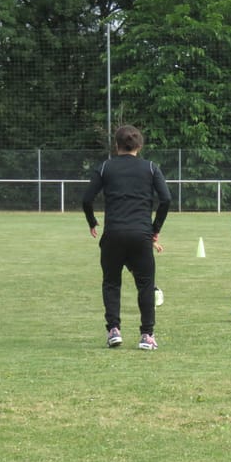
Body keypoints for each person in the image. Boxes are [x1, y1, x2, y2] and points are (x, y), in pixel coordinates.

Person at [82, 125, 172, 350]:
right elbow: (166, 199)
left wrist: (92, 221)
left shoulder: (105, 167)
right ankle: (147, 335)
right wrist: (155, 228)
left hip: (113, 234)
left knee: (111, 283)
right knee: (145, 285)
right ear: (139, 146)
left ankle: (114, 330)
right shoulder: (150, 168)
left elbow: (86, 199)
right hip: (141, 235)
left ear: (116, 145)